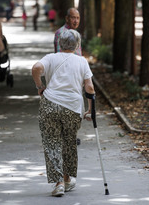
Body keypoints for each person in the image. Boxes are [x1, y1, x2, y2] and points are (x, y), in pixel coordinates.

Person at [31, 29, 95, 197]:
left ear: (60, 44)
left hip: (50, 104)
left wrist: (40, 87)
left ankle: (58, 183)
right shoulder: (82, 61)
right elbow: (89, 87)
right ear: (77, 44)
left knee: (52, 143)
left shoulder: (51, 58)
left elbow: (36, 68)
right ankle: (67, 179)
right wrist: (90, 109)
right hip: (73, 108)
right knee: (69, 142)